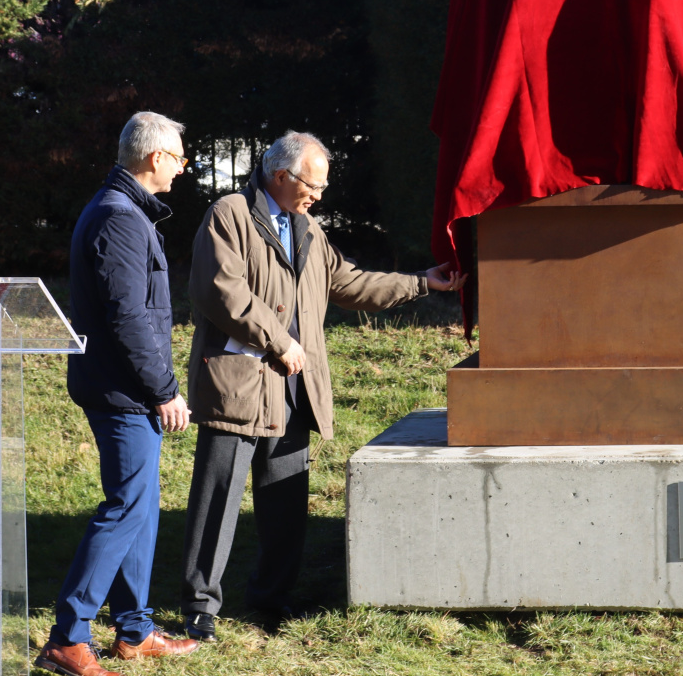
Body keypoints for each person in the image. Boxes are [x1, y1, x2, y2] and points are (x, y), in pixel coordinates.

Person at [178, 131, 465, 640]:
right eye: (313, 185)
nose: (319, 196)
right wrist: (279, 341)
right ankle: (200, 608)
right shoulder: (229, 214)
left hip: (295, 390)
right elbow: (221, 292)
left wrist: (422, 281)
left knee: (285, 505)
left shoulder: (308, 227)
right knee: (216, 500)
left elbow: (348, 283)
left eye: (322, 188)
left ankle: (270, 602)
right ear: (281, 175)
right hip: (238, 388)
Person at [35, 112, 201, 676]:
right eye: (180, 158)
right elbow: (129, 318)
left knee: (141, 508)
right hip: (123, 392)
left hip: (125, 388)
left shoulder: (122, 210)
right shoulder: (119, 217)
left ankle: (133, 631)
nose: (183, 169)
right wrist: (164, 390)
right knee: (126, 507)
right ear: (156, 157)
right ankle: (67, 637)